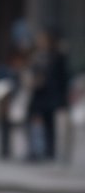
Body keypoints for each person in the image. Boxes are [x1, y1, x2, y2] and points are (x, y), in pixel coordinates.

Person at [27, 30, 70, 161]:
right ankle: (35, 149)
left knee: (50, 124)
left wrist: (63, 99)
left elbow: (63, 78)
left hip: (50, 95)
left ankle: (49, 151)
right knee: (33, 121)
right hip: (37, 94)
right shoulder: (36, 56)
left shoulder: (57, 57)